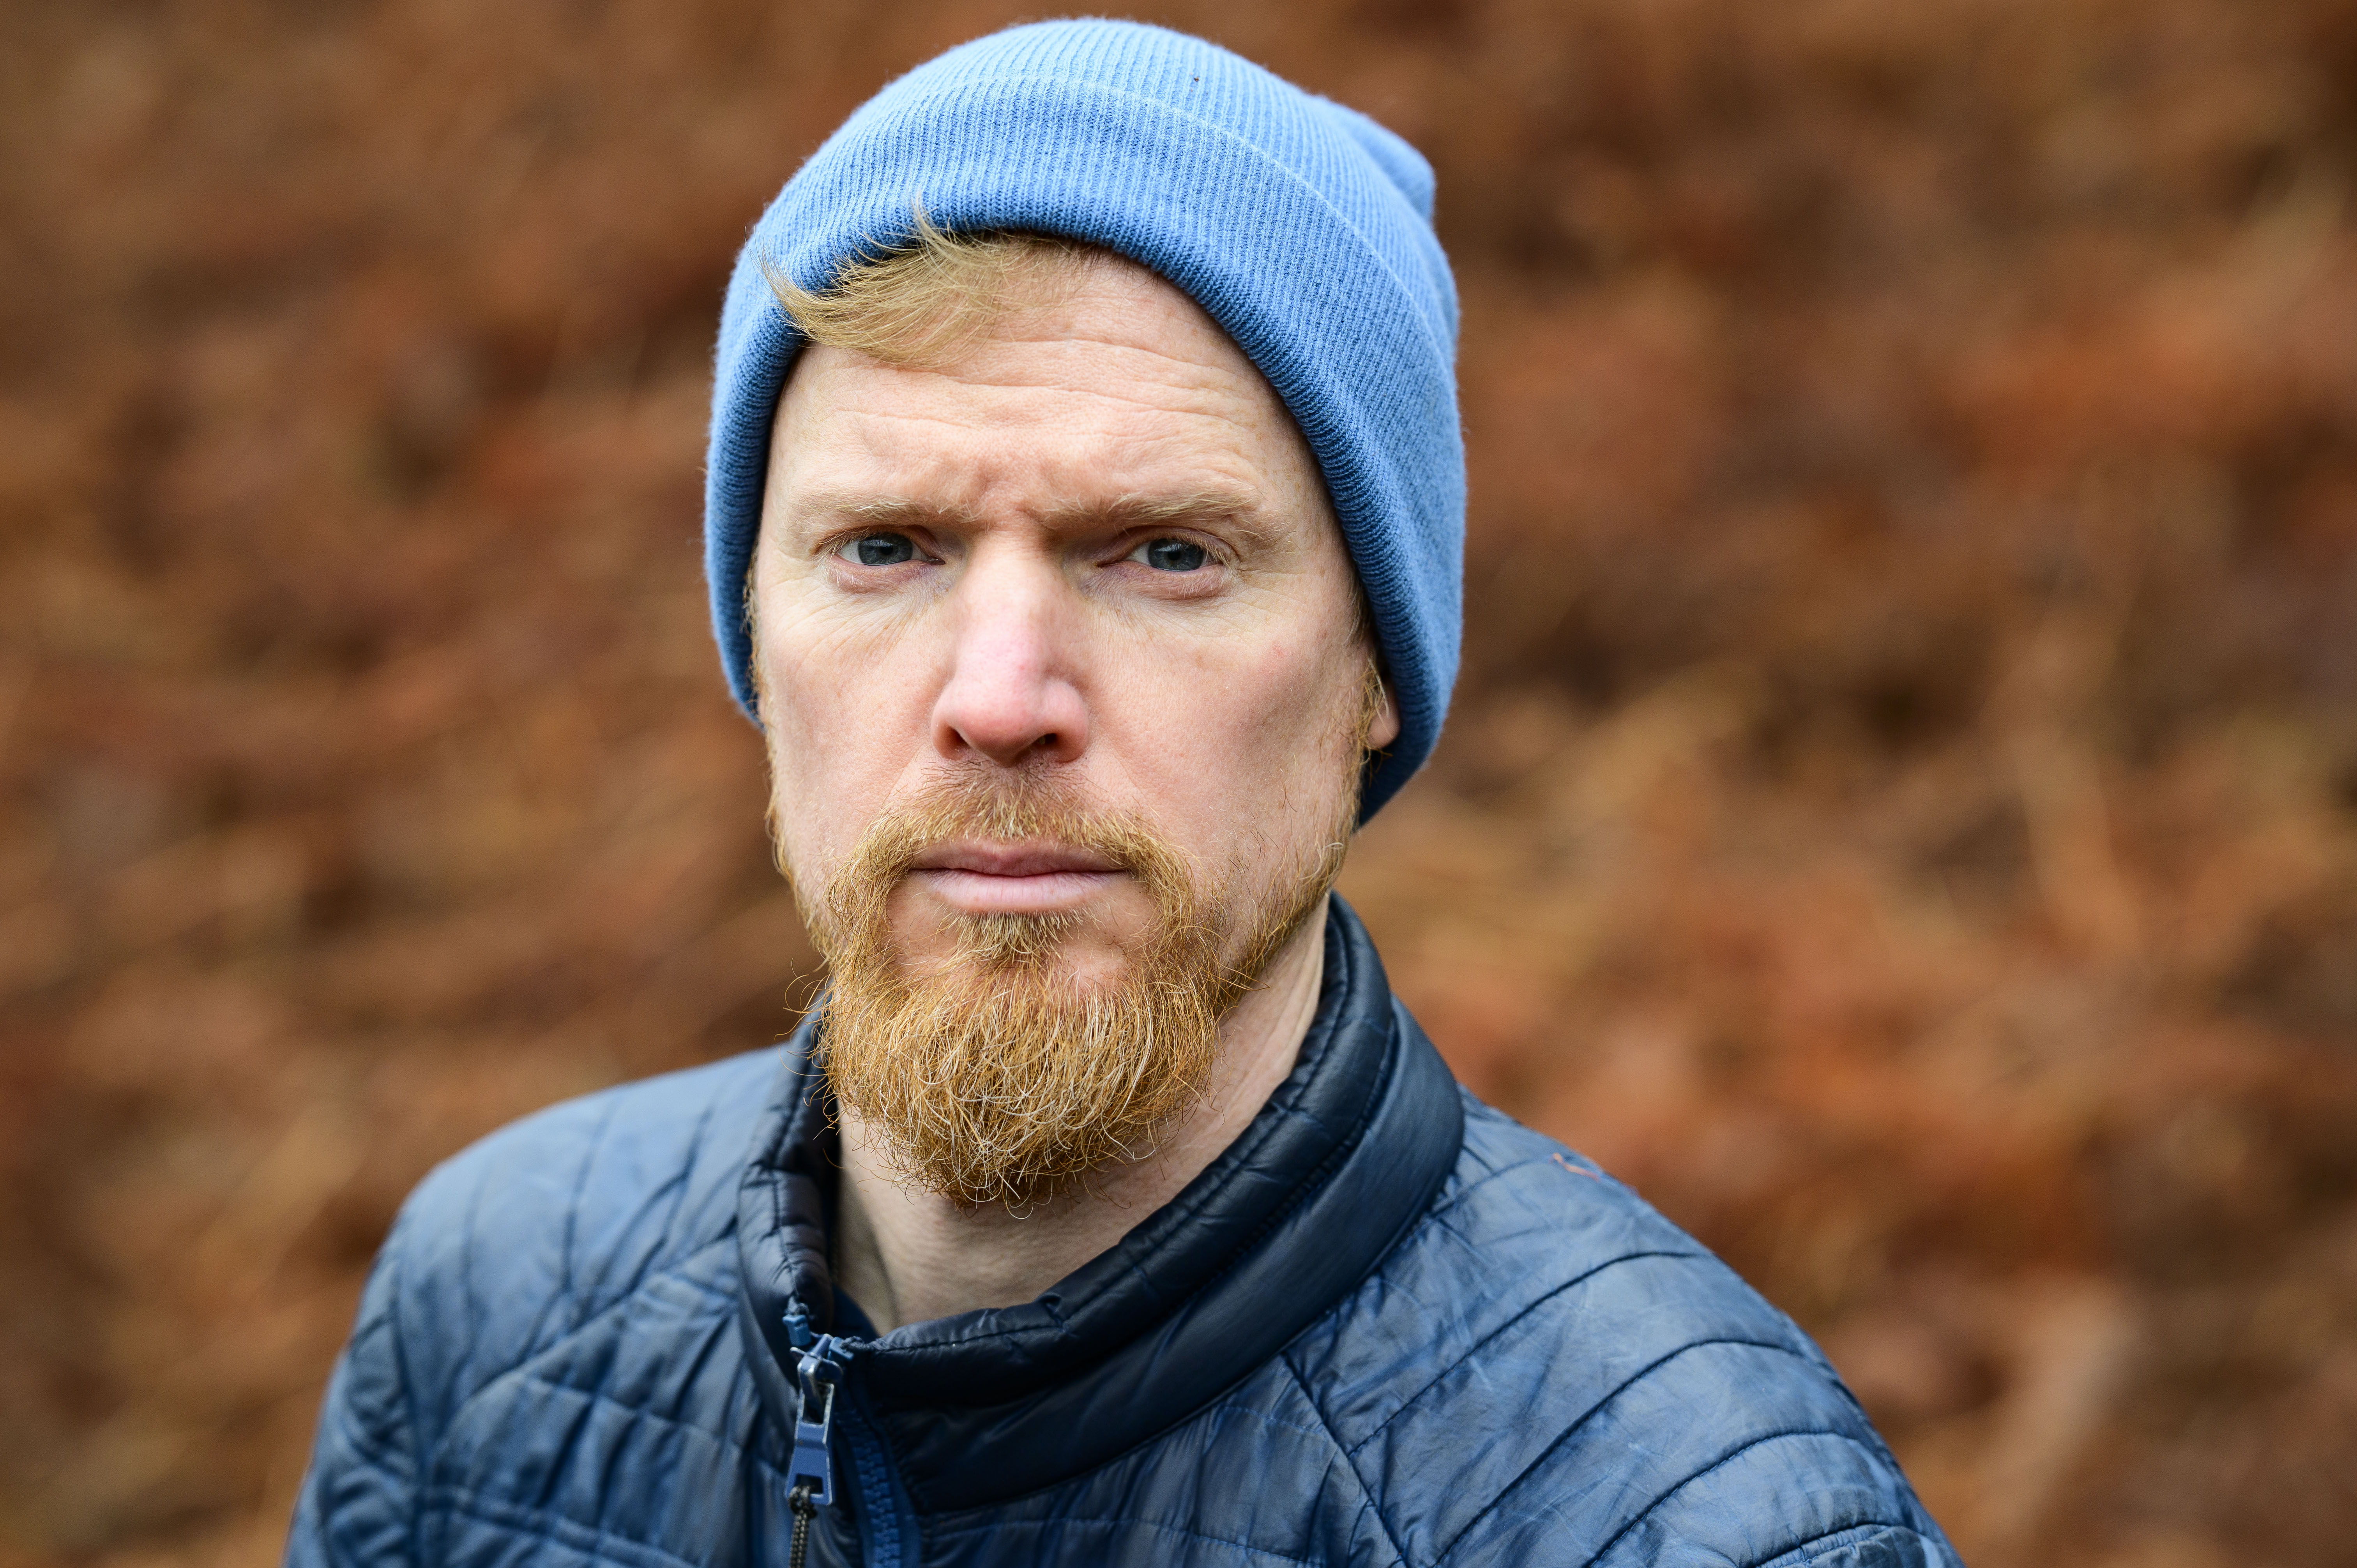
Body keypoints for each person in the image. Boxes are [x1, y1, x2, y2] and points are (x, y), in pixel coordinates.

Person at [288, 20, 1959, 1568]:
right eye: (887, 549)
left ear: (1375, 668)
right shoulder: (486, 1306)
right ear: (752, 637)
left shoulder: (1697, 1522)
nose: (1000, 699)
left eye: (1165, 553)